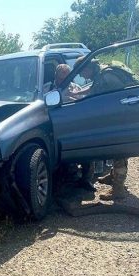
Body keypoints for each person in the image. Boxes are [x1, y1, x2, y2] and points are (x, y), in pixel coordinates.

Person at [72, 57, 139, 200]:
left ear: (87, 68)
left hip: (123, 119)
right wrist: (77, 94)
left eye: (80, 73)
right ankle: (113, 176)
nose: (80, 76)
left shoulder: (107, 76)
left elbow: (117, 98)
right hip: (120, 117)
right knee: (117, 151)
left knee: (119, 152)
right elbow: (93, 88)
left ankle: (118, 189)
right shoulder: (102, 74)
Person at [54, 64, 95, 192]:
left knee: (87, 152)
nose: (64, 81)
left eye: (67, 77)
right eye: (61, 78)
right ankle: (63, 182)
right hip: (56, 128)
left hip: (76, 127)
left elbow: (85, 107)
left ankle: (86, 180)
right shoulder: (47, 89)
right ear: (56, 76)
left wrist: (73, 99)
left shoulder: (76, 88)